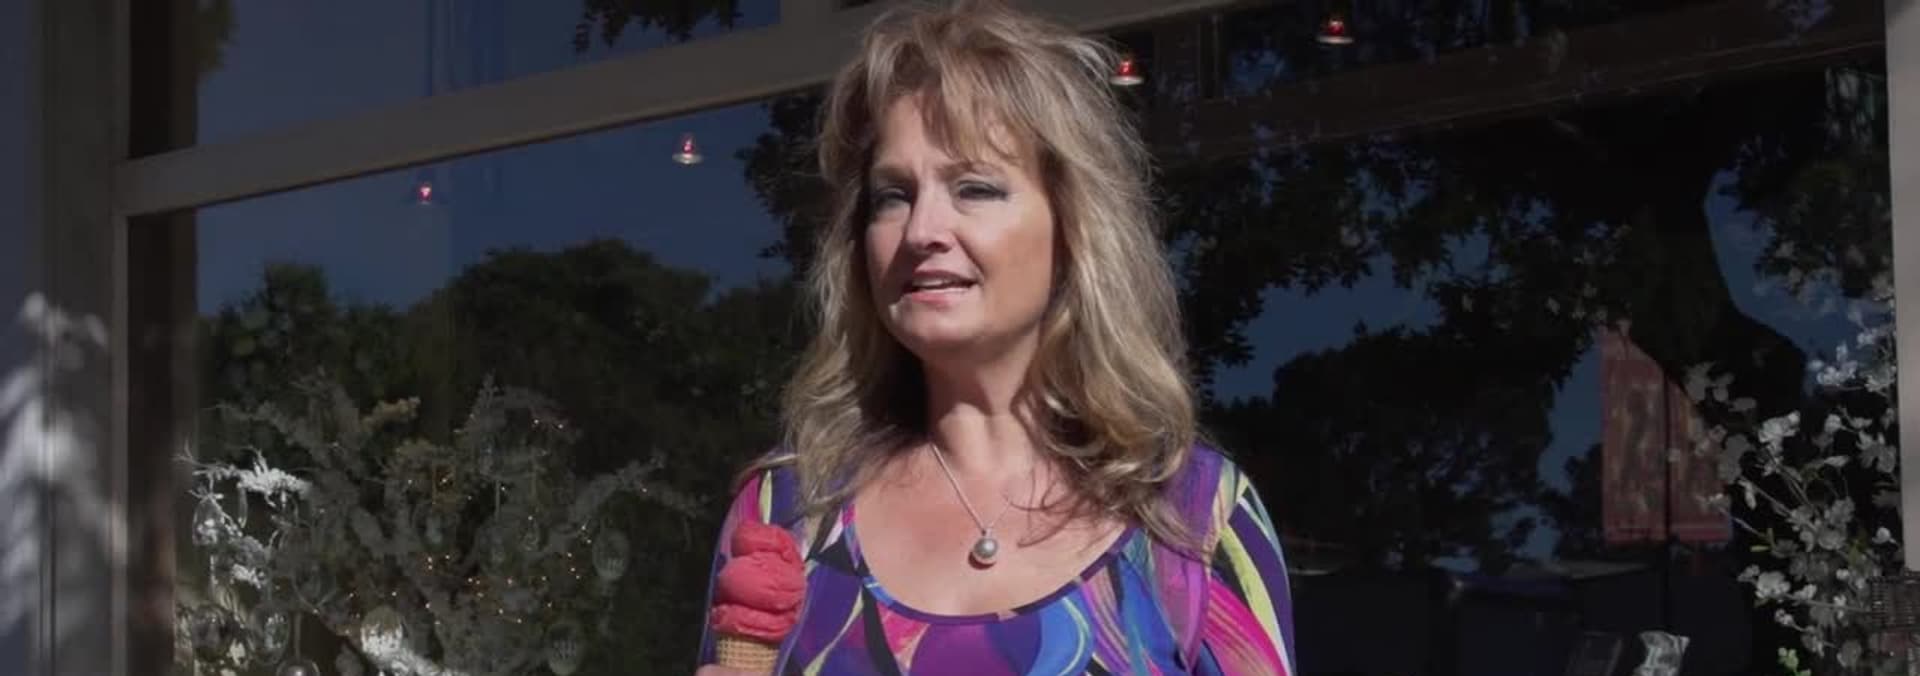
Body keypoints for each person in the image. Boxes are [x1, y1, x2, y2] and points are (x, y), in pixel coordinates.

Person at [696, 1, 1296, 673]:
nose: (922, 231)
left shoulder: (1195, 518)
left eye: (975, 188)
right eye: (893, 195)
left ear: (1073, 228)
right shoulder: (785, 512)